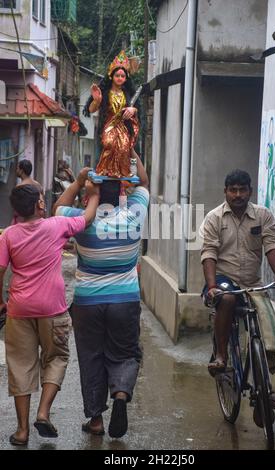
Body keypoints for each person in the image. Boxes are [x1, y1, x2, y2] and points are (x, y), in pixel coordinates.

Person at [53, 156, 149, 439]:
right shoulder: (134, 214)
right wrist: (132, 154)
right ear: (121, 191)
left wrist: (80, 181)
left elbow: (57, 208)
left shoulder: (82, 220)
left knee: (91, 356)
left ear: (92, 194)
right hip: (125, 300)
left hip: (87, 302)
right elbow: (143, 183)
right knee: (125, 352)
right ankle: (120, 393)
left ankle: (95, 418)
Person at [0, 179, 99, 446]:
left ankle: (22, 431)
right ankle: (43, 412)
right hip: (52, 308)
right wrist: (92, 192)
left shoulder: (8, 235)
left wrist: (1, 299)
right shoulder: (57, 225)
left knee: (21, 365)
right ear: (40, 204)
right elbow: (88, 218)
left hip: (19, 309)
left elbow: (0, 270)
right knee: (55, 357)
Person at [201, 169, 275, 408]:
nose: (238, 194)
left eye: (242, 190)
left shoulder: (263, 215)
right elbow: (208, 252)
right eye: (233, 190)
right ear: (225, 192)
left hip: (253, 285)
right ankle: (221, 355)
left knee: (264, 332)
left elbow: (271, 246)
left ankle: (264, 386)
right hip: (222, 279)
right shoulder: (214, 218)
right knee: (227, 298)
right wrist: (211, 286)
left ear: (250, 191)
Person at [84, 50, 139, 178]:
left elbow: (137, 109)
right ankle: (105, 169)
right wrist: (97, 100)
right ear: (111, 76)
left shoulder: (128, 94)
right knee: (109, 143)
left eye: (122, 76)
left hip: (123, 127)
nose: (120, 78)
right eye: (117, 75)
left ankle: (121, 171)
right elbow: (91, 110)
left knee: (124, 147)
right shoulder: (105, 92)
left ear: (126, 78)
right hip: (108, 124)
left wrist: (133, 110)